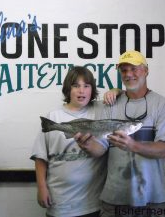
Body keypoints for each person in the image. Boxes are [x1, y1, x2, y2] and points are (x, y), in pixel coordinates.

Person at [75, 50, 165, 217]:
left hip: (153, 198)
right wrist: (86, 145)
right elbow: (100, 148)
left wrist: (133, 145)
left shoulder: (163, 105)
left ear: (146, 70)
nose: (129, 74)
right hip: (114, 199)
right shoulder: (110, 105)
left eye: (134, 69)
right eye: (124, 70)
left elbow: (164, 149)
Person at [30, 66, 112, 217]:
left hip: (92, 204)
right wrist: (41, 188)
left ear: (92, 89)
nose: (81, 91)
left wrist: (116, 90)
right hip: (59, 204)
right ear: (68, 89)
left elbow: (103, 149)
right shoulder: (53, 117)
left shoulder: (101, 112)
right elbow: (40, 157)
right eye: (76, 86)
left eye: (86, 86)